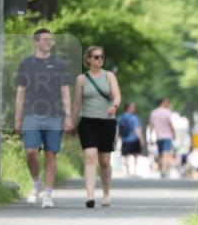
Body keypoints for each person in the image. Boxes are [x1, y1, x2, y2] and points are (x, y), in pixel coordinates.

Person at [14, 28, 73, 208]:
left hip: (54, 115)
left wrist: (69, 116)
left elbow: (65, 91)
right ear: (37, 41)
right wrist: (18, 118)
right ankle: (36, 181)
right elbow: (21, 92)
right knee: (31, 152)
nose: (50, 43)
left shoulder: (60, 64)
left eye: (51, 40)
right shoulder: (26, 64)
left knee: (50, 154)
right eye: (46, 40)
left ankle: (48, 193)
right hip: (31, 114)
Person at [72, 45, 122, 208]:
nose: (100, 59)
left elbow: (117, 95)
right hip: (87, 121)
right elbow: (77, 103)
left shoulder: (109, 76)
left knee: (105, 161)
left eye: (101, 57)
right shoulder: (81, 79)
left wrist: (114, 106)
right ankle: (90, 195)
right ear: (88, 60)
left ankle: (106, 193)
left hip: (107, 121)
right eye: (96, 57)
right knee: (90, 155)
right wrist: (72, 122)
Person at [149, 98, 176, 176]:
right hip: (167, 136)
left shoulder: (154, 112)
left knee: (160, 153)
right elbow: (170, 124)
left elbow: (151, 125)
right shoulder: (167, 112)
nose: (168, 104)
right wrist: (174, 133)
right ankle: (163, 170)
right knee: (165, 154)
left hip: (158, 136)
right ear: (163, 103)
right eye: (167, 102)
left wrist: (150, 136)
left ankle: (161, 169)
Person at [118, 102, 144, 177]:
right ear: (129, 108)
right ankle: (135, 171)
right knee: (136, 155)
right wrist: (141, 139)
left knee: (126, 156)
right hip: (134, 139)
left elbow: (118, 129)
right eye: (133, 107)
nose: (134, 109)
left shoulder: (120, 117)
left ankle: (128, 171)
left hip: (125, 140)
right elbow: (137, 129)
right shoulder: (134, 117)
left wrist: (120, 138)